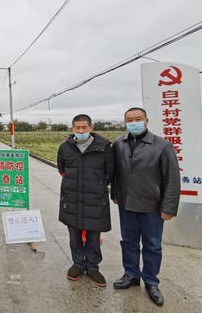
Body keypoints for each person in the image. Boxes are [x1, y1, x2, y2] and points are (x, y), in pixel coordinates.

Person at [112, 107, 180, 306]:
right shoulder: (118, 143)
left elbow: (172, 179)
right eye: (130, 120)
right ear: (125, 123)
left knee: (152, 245)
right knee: (128, 241)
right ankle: (131, 274)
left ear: (146, 121)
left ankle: (151, 281)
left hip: (152, 205)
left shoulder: (162, 146)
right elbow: (116, 171)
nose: (134, 122)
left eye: (138, 119)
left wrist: (168, 207)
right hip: (127, 204)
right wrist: (115, 193)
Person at [57, 114, 114, 287]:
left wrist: (95, 186)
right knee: (74, 235)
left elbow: (110, 173)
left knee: (93, 236)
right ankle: (77, 264)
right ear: (73, 128)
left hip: (95, 199)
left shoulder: (103, 147)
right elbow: (62, 169)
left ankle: (92, 267)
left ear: (91, 127)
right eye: (77, 128)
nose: (80, 131)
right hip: (72, 198)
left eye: (84, 127)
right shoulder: (65, 148)